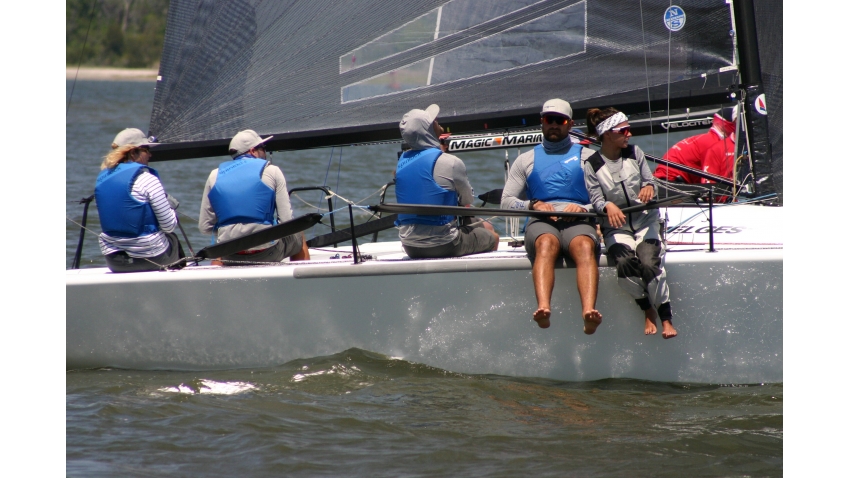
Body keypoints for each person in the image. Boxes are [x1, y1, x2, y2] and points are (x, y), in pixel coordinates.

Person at [500, 99, 602, 332]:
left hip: (579, 220)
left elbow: (607, 200)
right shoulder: (525, 159)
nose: (554, 125)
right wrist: (533, 205)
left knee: (585, 246)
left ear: (570, 124)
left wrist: (584, 209)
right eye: (549, 120)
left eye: (560, 121)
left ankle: (588, 311)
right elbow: (506, 201)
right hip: (541, 222)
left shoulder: (589, 157)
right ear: (542, 123)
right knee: (546, 243)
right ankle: (544, 309)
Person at [584, 107, 677, 339]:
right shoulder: (592, 165)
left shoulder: (635, 153)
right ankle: (646, 308)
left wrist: (648, 187)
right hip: (617, 228)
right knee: (625, 265)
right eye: (624, 130)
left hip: (646, 222)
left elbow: (650, 181)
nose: (629, 134)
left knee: (648, 264)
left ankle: (666, 317)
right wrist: (607, 206)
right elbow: (595, 199)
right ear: (607, 134)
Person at [395, 104, 499, 258]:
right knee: (493, 236)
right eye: (434, 121)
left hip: (409, 246)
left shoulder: (401, 164)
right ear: (428, 129)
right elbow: (467, 200)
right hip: (445, 244)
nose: (438, 122)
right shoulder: (450, 162)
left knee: (484, 226)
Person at [199, 129, 310, 264]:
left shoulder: (214, 175)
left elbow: (205, 227)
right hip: (267, 252)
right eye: (263, 148)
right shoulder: (272, 171)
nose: (265, 152)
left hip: (230, 254)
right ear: (252, 151)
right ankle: (300, 282)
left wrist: (233, 235)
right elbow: (286, 222)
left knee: (219, 247)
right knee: (298, 232)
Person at [95, 128, 186, 273]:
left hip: (115, 262)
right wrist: (171, 209)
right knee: (172, 238)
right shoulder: (148, 179)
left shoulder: (101, 179)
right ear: (133, 153)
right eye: (146, 149)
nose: (150, 154)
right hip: (151, 259)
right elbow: (169, 226)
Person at [653, 106, 737, 184]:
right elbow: (711, 177)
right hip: (671, 181)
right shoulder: (715, 144)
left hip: (660, 178)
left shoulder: (705, 138)